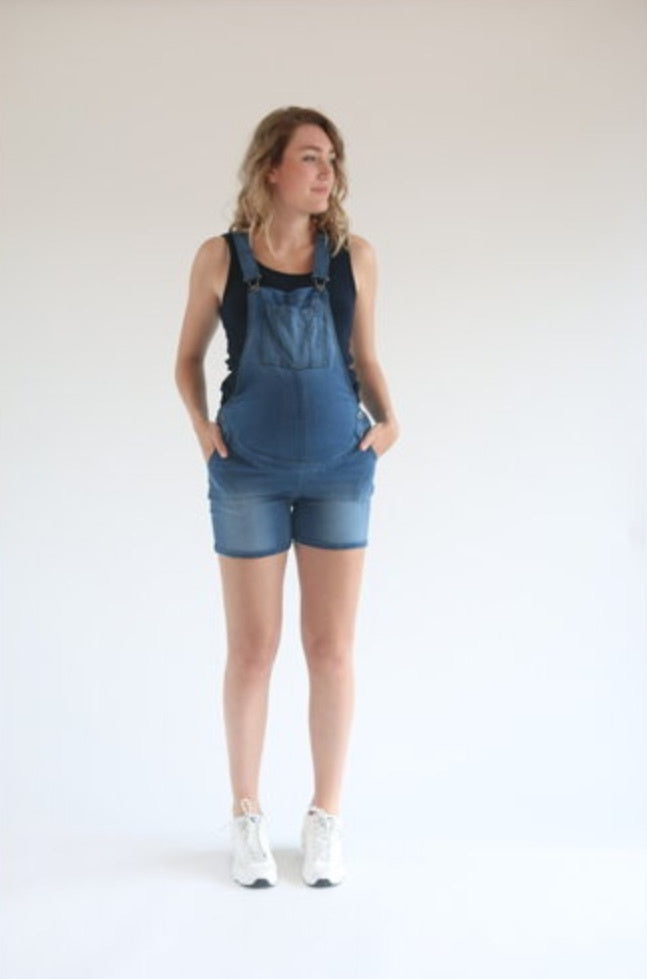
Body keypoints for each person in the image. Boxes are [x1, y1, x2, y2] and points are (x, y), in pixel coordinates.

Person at [175, 106, 399, 888]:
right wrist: (202, 428)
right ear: (270, 166)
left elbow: (364, 358)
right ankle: (246, 816)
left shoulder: (353, 258)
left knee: (330, 648)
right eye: (310, 156)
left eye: (331, 158)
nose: (326, 171)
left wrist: (390, 421)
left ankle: (324, 817)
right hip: (248, 473)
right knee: (252, 648)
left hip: (339, 470)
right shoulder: (219, 257)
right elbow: (185, 359)